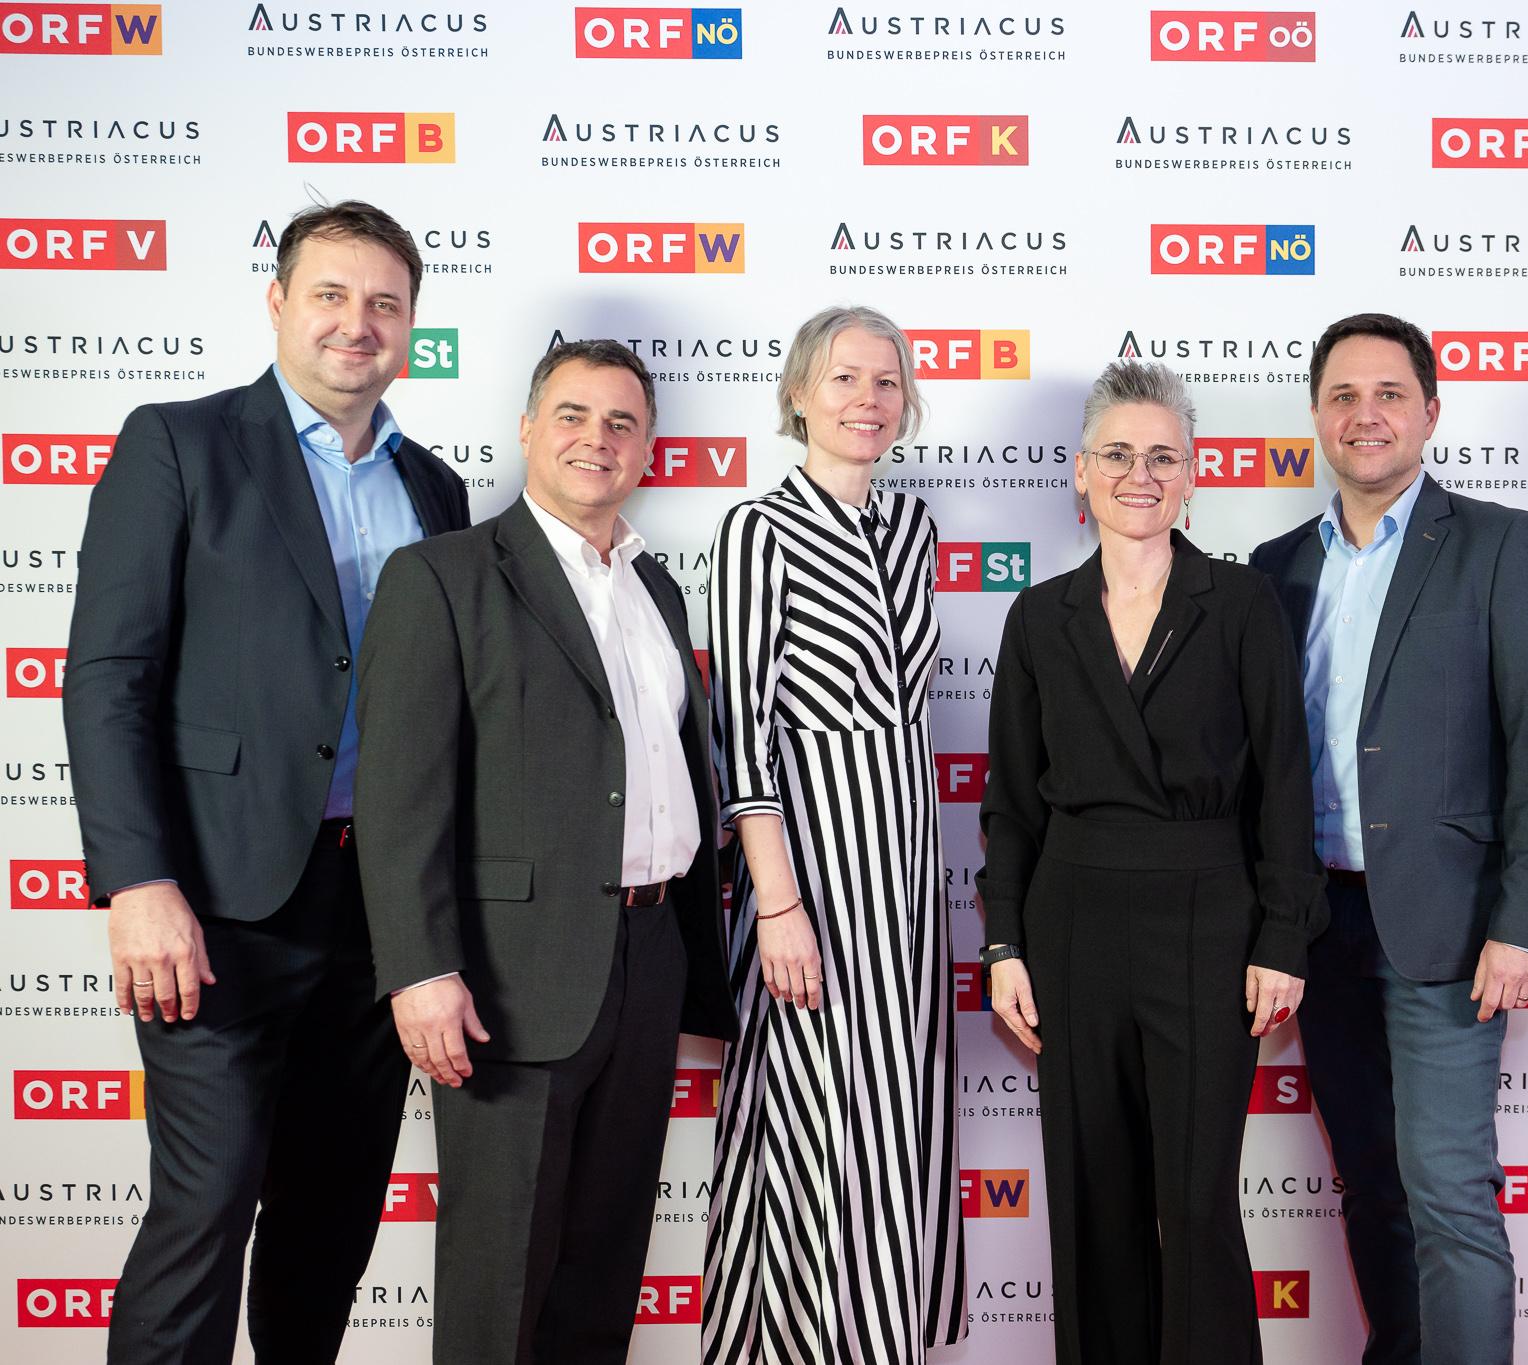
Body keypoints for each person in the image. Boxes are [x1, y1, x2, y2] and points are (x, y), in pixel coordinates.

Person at [62, 200, 466, 1364]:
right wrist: (137, 882)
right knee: (204, 1213)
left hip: (376, 916)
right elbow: (110, 676)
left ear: (411, 326)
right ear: (279, 302)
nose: (357, 323)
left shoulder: (434, 489)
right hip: (215, 908)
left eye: (384, 303)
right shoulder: (178, 444)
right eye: (330, 295)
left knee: (329, 1223)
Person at [353, 339, 737, 1364]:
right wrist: (420, 970)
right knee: (500, 1282)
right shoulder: (442, 577)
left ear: (647, 448)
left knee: (602, 1274)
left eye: (620, 422)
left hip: (649, 958)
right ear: (527, 430)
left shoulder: (658, 591)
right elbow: (398, 800)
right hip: (510, 978)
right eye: (571, 415)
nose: (595, 439)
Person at [977, 360, 1327, 1365]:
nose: (1141, 475)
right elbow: (1011, 802)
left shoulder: (1243, 602)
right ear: (1080, 472)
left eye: (1163, 457)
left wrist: (1282, 935)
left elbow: (1284, 781)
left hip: (1209, 921)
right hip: (1071, 922)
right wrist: (1003, 944)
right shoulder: (1038, 616)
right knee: (1093, 1198)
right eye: (1119, 454)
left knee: (1197, 1202)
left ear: (1192, 475)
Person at [1249, 313, 1528, 1365]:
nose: (1366, 415)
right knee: (1370, 1185)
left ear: (1430, 412)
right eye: (1342, 396)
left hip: (1449, 926)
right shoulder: (1273, 567)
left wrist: (1524, 924)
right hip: (1318, 927)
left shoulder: (1500, 543)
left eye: (1388, 393)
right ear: (1315, 416)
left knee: (1448, 1194)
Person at [700, 306, 967, 1363]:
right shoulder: (756, 530)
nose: (868, 399)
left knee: (898, 1117)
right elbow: (742, 733)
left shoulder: (912, 529)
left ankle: (883, 1337)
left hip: (906, 880)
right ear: (799, 395)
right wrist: (777, 906)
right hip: (807, 879)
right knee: (808, 1123)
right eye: (845, 378)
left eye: (887, 381)